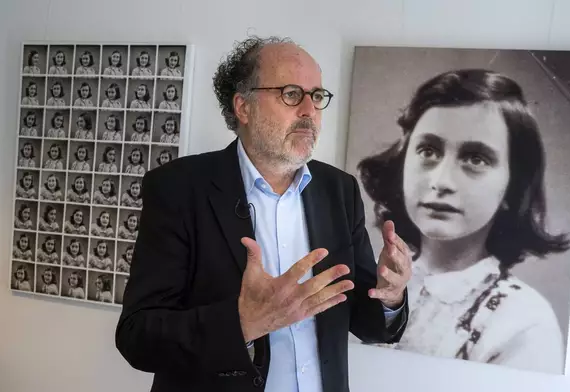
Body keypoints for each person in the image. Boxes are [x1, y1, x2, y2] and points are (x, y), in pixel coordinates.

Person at [115, 36, 413, 392]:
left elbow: (368, 324)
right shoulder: (179, 189)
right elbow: (138, 337)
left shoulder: (339, 191)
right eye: (291, 94)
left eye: (317, 96)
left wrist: (390, 295)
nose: (309, 110)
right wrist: (242, 323)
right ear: (243, 107)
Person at [356, 69, 570, 374]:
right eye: (428, 151)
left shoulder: (524, 324)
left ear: (513, 186)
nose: (441, 181)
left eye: (476, 159)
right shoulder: (370, 278)